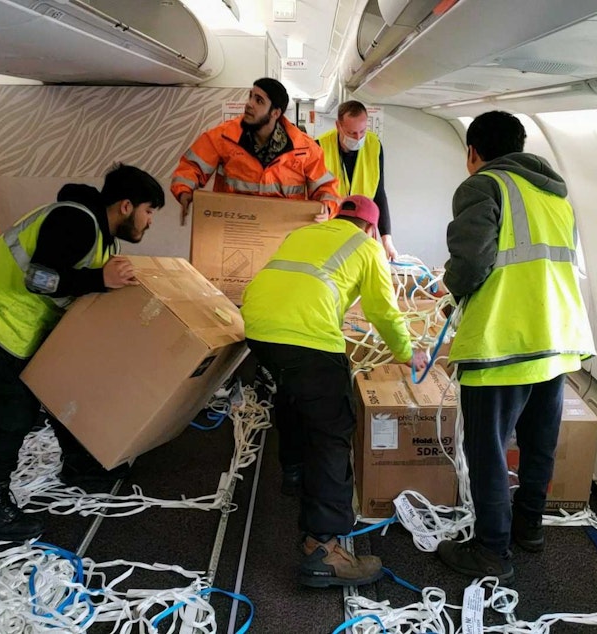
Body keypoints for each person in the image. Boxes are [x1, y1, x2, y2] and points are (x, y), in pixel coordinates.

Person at [0, 163, 165, 540]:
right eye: (149, 212)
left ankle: (77, 465)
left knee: (56, 384)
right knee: (17, 408)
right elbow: (39, 278)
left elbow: (73, 285)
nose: (149, 223)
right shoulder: (75, 221)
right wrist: (100, 279)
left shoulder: (102, 236)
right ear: (126, 206)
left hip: (11, 321)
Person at [437, 111, 595, 580]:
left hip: (501, 343)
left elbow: (470, 263)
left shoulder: (482, 186)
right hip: (555, 339)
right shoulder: (556, 196)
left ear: (473, 152)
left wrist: (455, 293)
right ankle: (529, 528)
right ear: (522, 146)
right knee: (538, 442)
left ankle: (491, 551)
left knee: (486, 450)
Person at [241, 194, 429, 588]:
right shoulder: (367, 247)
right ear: (372, 228)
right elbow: (382, 310)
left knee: (293, 392)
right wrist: (408, 353)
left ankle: (294, 472)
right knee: (332, 429)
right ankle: (323, 548)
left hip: (257, 325)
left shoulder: (305, 233)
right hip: (306, 336)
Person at [172, 77, 339, 225]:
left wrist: (326, 208)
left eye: (259, 101)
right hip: (233, 227)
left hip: (282, 231)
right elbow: (192, 166)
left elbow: (326, 188)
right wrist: (184, 191)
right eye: (251, 96)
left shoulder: (305, 149)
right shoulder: (225, 137)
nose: (249, 104)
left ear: (275, 113)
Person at [317, 100, 397, 260]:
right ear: (338, 126)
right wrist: (316, 213)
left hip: (362, 230)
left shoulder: (374, 146)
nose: (358, 137)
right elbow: (311, 194)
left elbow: (379, 194)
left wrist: (387, 239)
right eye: (352, 133)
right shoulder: (319, 147)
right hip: (329, 229)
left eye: (362, 131)